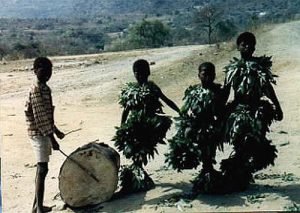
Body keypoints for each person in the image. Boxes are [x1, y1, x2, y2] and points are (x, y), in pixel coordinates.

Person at [221, 32, 283, 192]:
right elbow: (226, 90)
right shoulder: (232, 69)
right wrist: (219, 110)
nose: (247, 47)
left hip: (257, 110)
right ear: (238, 47)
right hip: (238, 110)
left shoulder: (260, 66)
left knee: (255, 141)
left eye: (250, 44)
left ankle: (242, 171)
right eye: (243, 44)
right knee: (241, 143)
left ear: (255, 47)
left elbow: (267, 88)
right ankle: (239, 174)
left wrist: (277, 106)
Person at [113, 59, 180, 193]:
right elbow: (126, 110)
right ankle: (136, 177)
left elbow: (166, 100)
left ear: (148, 73)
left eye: (142, 73)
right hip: (134, 125)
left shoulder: (152, 88)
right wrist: (122, 126)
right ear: (133, 73)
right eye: (136, 73)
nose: (139, 75)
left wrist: (179, 111)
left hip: (150, 126)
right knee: (135, 150)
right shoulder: (131, 90)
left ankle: (136, 176)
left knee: (144, 150)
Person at [165, 62, 226, 195]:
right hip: (196, 126)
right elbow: (187, 109)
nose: (207, 77)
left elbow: (221, 109)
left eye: (210, 74)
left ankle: (208, 176)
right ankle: (206, 176)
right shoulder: (193, 91)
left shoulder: (217, 91)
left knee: (209, 153)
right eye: (204, 74)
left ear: (215, 75)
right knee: (203, 152)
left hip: (211, 127)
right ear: (199, 75)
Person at [25, 57, 65, 213]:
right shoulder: (36, 89)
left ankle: (36, 207)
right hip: (37, 133)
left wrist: (56, 130)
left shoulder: (45, 89)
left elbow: (48, 116)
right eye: (44, 71)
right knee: (42, 169)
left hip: (44, 132)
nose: (47, 74)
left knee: (42, 169)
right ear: (35, 71)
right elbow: (40, 117)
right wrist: (52, 139)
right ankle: (39, 209)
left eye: (50, 71)